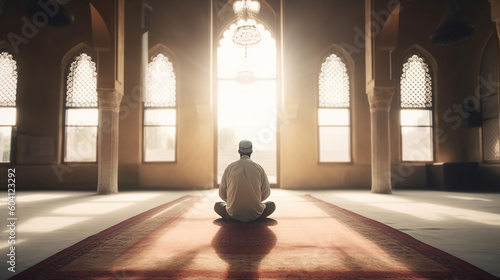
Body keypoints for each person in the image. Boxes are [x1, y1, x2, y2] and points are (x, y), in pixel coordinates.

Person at [214, 140, 276, 222]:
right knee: (271, 205)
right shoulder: (258, 168)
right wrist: (254, 200)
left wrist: (233, 201)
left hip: (232, 215)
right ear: (251, 151)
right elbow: (266, 192)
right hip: (256, 215)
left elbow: (222, 193)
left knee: (217, 206)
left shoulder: (230, 167)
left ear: (239, 151)